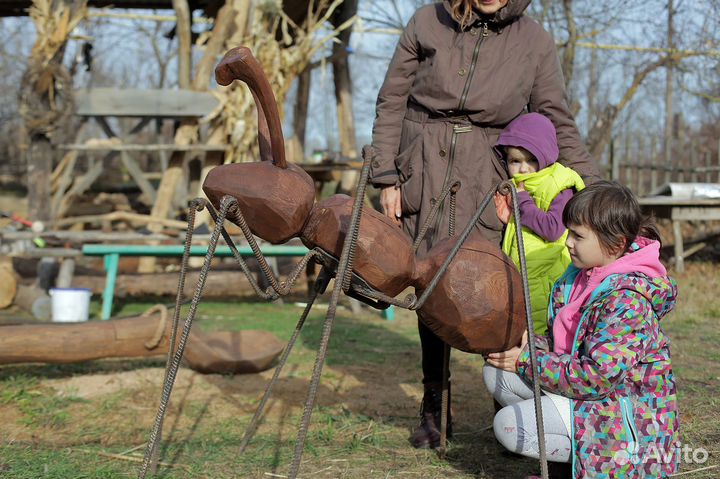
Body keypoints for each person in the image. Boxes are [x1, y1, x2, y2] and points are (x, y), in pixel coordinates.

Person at [369, 0, 600, 449]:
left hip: (491, 180)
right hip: (424, 170)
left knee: (495, 288)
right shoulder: (425, 20)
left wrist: (599, 194)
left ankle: (506, 398)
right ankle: (435, 402)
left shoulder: (533, 41)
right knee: (429, 286)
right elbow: (391, 99)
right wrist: (385, 174)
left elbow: (556, 120)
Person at [484, 181, 679, 478]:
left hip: (620, 418)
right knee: (496, 373)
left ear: (614, 244)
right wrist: (526, 344)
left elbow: (597, 377)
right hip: (586, 397)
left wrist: (527, 361)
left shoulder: (628, 301)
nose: (567, 243)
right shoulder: (579, 277)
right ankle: (572, 462)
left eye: (577, 235)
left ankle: (584, 469)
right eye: (568, 233)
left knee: (508, 426)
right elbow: (566, 343)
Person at [492, 112, 585, 335]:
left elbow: (552, 229)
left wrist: (522, 202)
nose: (524, 169)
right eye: (515, 161)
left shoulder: (558, 184)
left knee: (540, 330)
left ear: (545, 157)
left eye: (531, 160)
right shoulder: (523, 186)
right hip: (525, 271)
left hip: (546, 273)